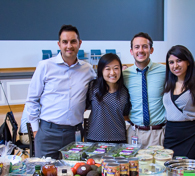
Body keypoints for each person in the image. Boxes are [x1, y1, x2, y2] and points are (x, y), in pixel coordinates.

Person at [26, 25, 96, 159]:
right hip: (48, 132)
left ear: (79, 43)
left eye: (73, 41)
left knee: (71, 175)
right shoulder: (45, 66)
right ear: (59, 44)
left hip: (74, 132)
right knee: (47, 175)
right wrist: (36, 130)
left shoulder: (87, 69)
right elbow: (32, 99)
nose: (69, 46)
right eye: (65, 42)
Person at [163, 45, 195, 162]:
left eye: (179, 61)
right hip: (170, 134)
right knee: (170, 173)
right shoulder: (168, 85)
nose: (175, 66)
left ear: (188, 62)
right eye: (171, 62)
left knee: (188, 175)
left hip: (190, 135)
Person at [123, 32, 166, 148]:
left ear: (151, 50)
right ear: (131, 51)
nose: (140, 50)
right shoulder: (124, 75)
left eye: (145, 46)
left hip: (158, 133)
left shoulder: (165, 71)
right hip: (134, 133)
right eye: (137, 47)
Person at [86, 53, 130, 143]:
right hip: (94, 138)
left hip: (119, 139)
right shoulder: (93, 87)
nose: (112, 72)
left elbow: (126, 114)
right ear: (101, 70)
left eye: (116, 68)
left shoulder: (124, 91)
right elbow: (84, 106)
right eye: (108, 69)